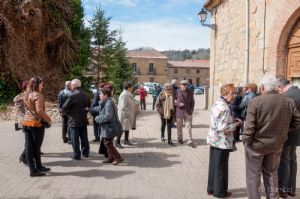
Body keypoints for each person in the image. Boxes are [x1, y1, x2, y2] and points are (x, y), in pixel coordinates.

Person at [242, 75, 300, 199]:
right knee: (272, 173)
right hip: (277, 144)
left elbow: (249, 126)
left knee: (253, 175)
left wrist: (246, 140)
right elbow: (297, 121)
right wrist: (284, 132)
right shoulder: (288, 101)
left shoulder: (255, 102)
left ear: (262, 87)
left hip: (257, 145)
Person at [207, 83, 242, 198]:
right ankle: (220, 192)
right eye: (232, 93)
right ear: (225, 94)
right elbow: (223, 128)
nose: (234, 96)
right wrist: (236, 124)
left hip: (214, 139)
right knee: (221, 167)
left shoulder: (217, 102)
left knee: (214, 165)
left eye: (235, 93)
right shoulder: (225, 107)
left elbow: (217, 122)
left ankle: (212, 188)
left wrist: (231, 120)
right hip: (222, 141)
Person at [22, 76, 52, 177]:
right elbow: (39, 110)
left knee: (29, 147)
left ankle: (36, 168)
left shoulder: (27, 94)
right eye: (41, 84)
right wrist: (49, 119)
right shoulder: (37, 95)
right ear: (37, 84)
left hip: (26, 123)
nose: (43, 86)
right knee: (36, 148)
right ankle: (35, 170)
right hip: (36, 124)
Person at [276, 78, 300, 198]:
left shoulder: (288, 97)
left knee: (285, 161)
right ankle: (291, 188)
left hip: (288, 133)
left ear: (281, 87)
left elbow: (286, 118)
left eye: (278, 89)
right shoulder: (297, 92)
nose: (278, 92)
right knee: (292, 160)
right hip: (296, 134)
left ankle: (283, 189)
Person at [62, 79, 90, 160]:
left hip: (73, 120)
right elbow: (88, 106)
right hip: (83, 118)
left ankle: (77, 155)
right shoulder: (86, 94)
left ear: (73, 85)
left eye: (71, 85)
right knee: (84, 137)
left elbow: (64, 107)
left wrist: (66, 113)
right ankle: (86, 153)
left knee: (75, 138)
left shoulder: (72, 95)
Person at [95, 88, 124, 165]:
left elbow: (108, 116)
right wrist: (90, 109)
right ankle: (111, 158)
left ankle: (118, 158)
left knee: (107, 142)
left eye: (101, 94)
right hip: (108, 127)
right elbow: (100, 109)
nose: (99, 95)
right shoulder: (107, 102)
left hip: (110, 127)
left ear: (106, 95)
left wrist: (98, 119)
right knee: (107, 142)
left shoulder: (108, 103)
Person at [115, 81, 138, 148]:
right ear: (128, 88)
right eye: (131, 87)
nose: (132, 88)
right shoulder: (125, 95)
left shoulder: (128, 94)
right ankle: (117, 142)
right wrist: (128, 113)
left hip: (126, 115)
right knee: (122, 129)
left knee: (127, 128)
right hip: (124, 115)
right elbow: (123, 107)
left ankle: (126, 140)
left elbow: (131, 101)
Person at [174, 80, 195, 147]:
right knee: (179, 127)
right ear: (180, 85)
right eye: (183, 84)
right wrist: (179, 104)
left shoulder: (190, 92)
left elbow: (192, 102)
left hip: (188, 112)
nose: (185, 86)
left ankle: (190, 139)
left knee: (188, 126)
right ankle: (180, 138)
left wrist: (191, 110)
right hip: (179, 111)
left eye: (186, 84)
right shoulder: (177, 92)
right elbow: (174, 101)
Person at [13, 80, 29, 164]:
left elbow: (17, 110)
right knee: (29, 140)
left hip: (21, 120)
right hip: (26, 120)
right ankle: (24, 156)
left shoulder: (18, 96)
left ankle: (25, 156)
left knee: (28, 139)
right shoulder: (26, 96)